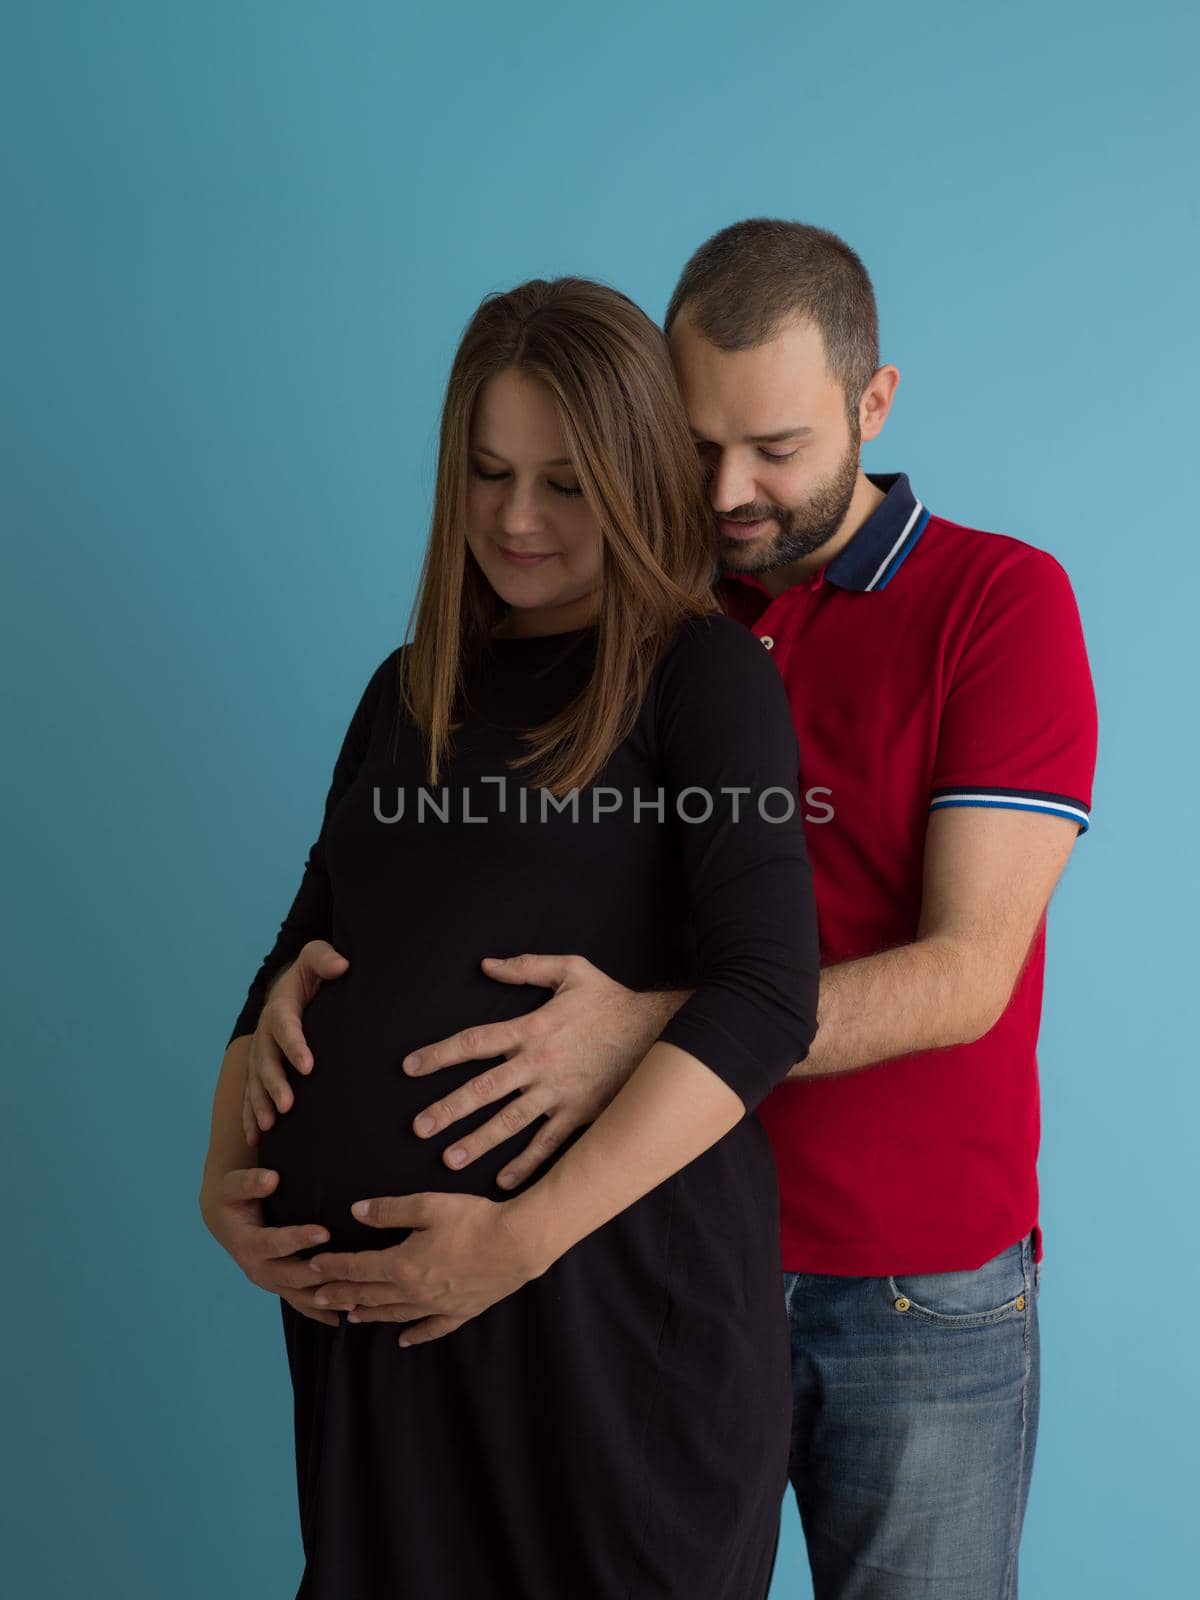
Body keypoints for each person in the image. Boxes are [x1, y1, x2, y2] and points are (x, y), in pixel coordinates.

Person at [243, 220, 1098, 1598]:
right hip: (651, 1249)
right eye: (694, 445)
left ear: (874, 405)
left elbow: (964, 974)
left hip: (906, 1280)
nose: (727, 489)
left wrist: (642, 1032)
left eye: (775, 448)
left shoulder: (992, 605)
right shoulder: (623, 610)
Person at [200, 275, 821, 1598]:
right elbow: (297, 950)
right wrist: (223, 1173)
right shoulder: (409, 685)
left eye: (565, 481)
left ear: (640, 474)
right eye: (487, 473)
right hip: (391, 1363)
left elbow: (769, 995)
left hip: (607, 1339)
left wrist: (516, 1240)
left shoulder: (705, 676)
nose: (519, 520)